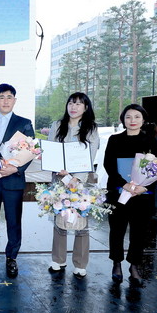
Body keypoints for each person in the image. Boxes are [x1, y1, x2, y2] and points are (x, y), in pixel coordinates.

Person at [0, 83, 35, 277]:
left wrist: (16, 168)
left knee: (13, 221)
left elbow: (31, 151)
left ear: (15, 100)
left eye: (9, 97)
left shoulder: (24, 122)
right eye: (1, 97)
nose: (5, 101)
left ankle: (12, 257)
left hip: (13, 181)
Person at [103, 104, 157, 285]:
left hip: (142, 194)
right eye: (128, 117)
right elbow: (109, 165)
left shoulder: (151, 141)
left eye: (137, 117)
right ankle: (116, 263)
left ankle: (134, 265)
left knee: (139, 232)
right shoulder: (114, 139)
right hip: (118, 192)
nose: (132, 120)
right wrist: (124, 184)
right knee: (116, 230)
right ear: (123, 120)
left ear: (143, 120)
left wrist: (144, 186)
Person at [46, 92, 99, 279]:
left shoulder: (91, 128)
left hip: (80, 182)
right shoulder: (57, 125)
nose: (73, 107)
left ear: (86, 107)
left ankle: (80, 263)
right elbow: (51, 149)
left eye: (78, 104)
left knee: (81, 223)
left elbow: (90, 155)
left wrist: (76, 178)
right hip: (60, 179)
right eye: (70, 103)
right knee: (59, 220)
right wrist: (59, 170)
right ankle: (58, 259)